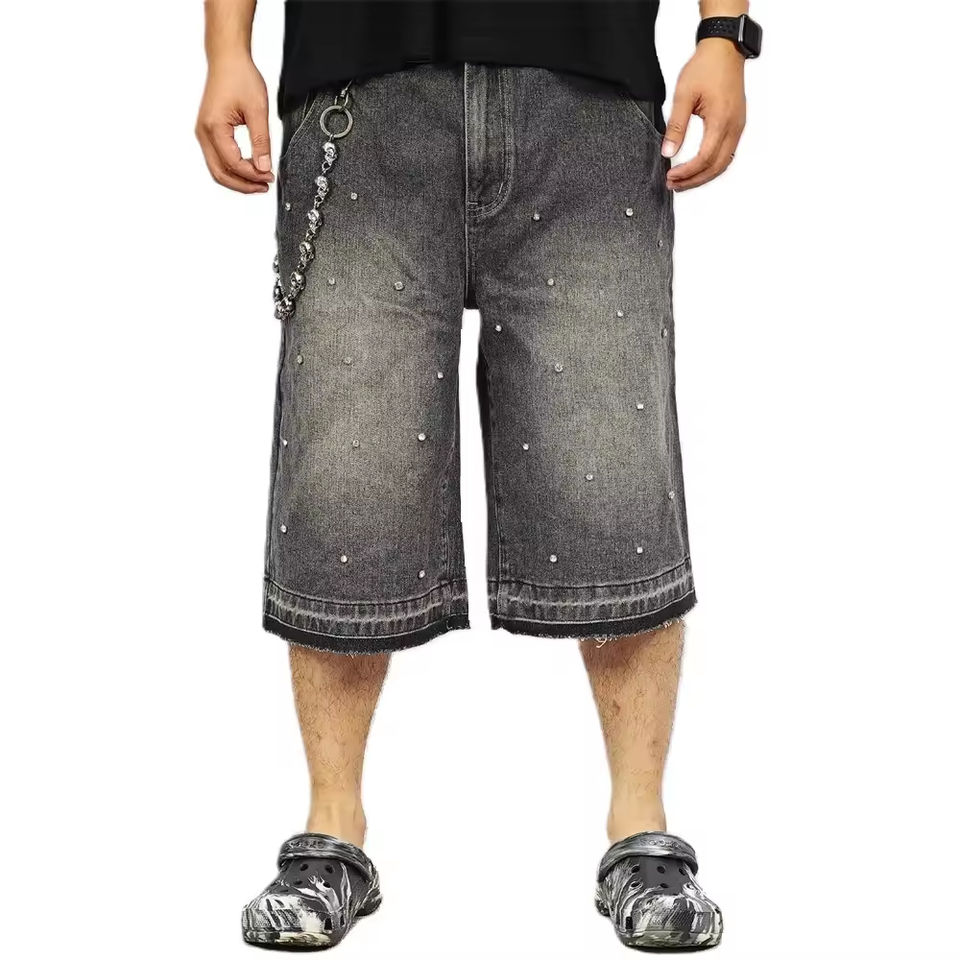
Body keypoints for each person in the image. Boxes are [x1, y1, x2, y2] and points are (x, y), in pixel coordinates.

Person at [197, 0, 761, 951]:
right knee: (348, 482)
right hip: (361, 96)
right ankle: (333, 832)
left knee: (613, 477)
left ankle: (641, 829)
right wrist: (226, 48)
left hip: (588, 98)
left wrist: (725, 33)